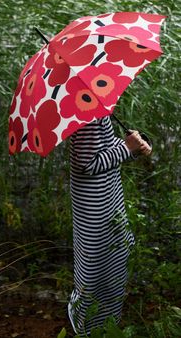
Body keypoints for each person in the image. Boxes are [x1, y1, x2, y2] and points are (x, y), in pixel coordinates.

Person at [68, 116, 151, 336]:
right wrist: (126, 148)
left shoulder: (95, 111)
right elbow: (86, 163)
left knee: (114, 254)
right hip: (95, 206)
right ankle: (90, 325)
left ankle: (106, 319)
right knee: (98, 261)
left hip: (106, 197)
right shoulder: (87, 117)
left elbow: (102, 147)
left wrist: (132, 144)